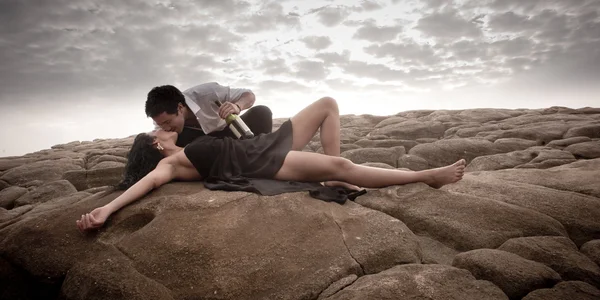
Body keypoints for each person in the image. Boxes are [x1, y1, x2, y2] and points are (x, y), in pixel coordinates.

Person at [76, 97, 466, 232]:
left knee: (328, 104)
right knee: (343, 166)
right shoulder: (171, 165)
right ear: (156, 149)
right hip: (261, 161)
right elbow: (143, 185)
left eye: (160, 126)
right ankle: (425, 176)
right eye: (155, 134)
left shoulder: (188, 144)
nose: (159, 130)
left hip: (262, 144)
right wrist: (106, 209)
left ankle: (330, 173)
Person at [145, 82, 273, 146]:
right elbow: (162, 143)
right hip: (199, 144)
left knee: (262, 112)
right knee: (178, 138)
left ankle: (262, 151)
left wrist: (237, 106)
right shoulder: (161, 119)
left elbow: (248, 95)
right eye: (160, 124)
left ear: (180, 107)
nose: (166, 128)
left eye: (168, 122)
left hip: (229, 131)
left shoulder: (208, 92)